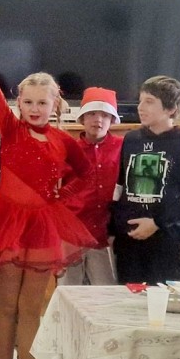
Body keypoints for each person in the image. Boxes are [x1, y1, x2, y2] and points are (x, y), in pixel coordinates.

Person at [0, 21, 95, 359]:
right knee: (7, 306)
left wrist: (61, 199)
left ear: (55, 105)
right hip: (9, 224)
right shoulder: (10, 128)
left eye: (42, 103)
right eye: (28, 102)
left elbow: (86, 176)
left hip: (42, 228)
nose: (34, 109)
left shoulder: (64, 141)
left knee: (33, 307)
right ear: (18, 103)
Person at [111, 76, 180, 285]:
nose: (140, 107)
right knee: (127, 298)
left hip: (164, 241)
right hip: (129, 240)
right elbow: (120, 186)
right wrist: (118, 223)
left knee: (159, 298)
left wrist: (156, 223)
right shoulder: (131, 139)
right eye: (141, 100)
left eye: (150, 101)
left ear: (170, 109)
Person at [60, 87, 123, 286]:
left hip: (106, 233)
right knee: (68, 289)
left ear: (112, 119)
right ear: (82, 118)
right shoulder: (68, 149)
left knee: (105, 289)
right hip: (72, 233)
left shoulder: (123, 147)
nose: (98, 120)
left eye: (105, 115)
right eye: (92, 114)